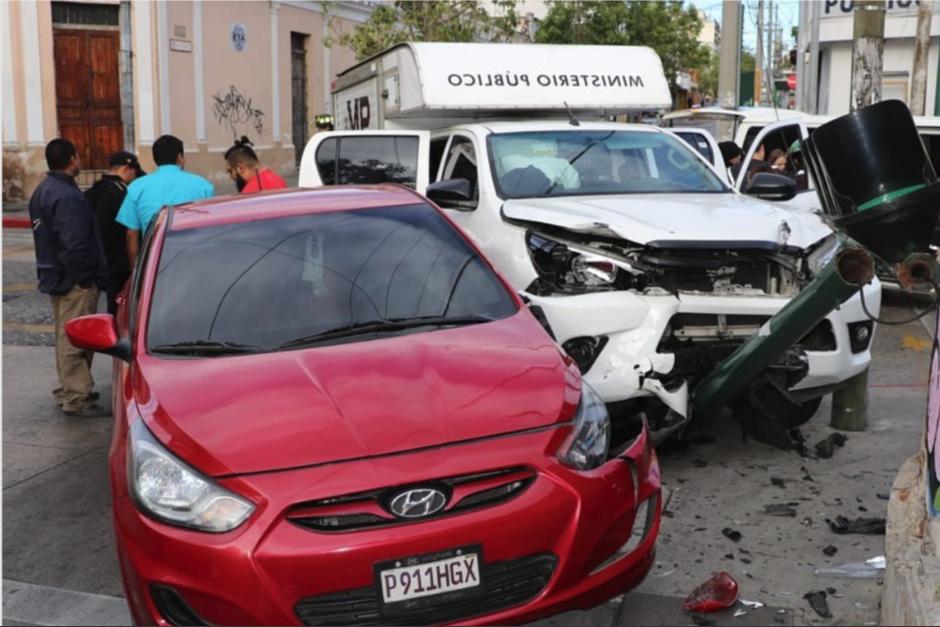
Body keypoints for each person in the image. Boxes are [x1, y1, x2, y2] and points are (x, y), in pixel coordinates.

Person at [28, 138, 109, 417]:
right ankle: (77, 396)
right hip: (73, 279)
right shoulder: (68, 196)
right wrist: (85, 277)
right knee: (75, 338)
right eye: (77, 156)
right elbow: (74, 242)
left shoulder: (43, 190)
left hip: (56, 275)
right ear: (73, 159)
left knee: (65, 335)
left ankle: (70, 388)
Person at [116, 134, 214, 264]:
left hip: (154, 262)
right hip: (194, 259)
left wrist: (136, 268)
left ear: (155, 159)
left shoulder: (137, 187)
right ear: (180, 158)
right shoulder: (204, 186)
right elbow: (211, 229)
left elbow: (132, 234)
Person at [86, 151, 144, 315]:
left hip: (99, 258)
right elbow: (130, 230)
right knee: (122, 306)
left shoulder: (93, 191)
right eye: (134, 172)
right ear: (127, 169)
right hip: (119, 259)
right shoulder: (122, 193)